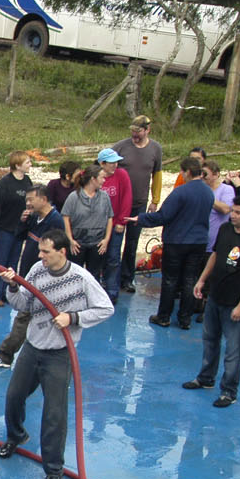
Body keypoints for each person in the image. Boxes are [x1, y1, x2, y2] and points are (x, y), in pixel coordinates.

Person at [0, 230, 115, 479]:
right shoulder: (37, 271)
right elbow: (21, 304)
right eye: (40, 251)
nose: (40, 256)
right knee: (14, 396)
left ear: (62, 252)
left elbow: (106, 308)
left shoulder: (82, 278)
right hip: (32, 347)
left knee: (54, 414)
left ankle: (53, 469)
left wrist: (72, 318)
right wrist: (14, 285)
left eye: (45, 252)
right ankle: (16, 436)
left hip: (59, 354)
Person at [183, 195, 240, 408]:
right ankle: (205, 378)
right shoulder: (225, 230)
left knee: (233, 349)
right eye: (233, 211)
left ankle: (229, 391)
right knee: (209, 340)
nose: (233, 216)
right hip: (215, 297)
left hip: (235, 302)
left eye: (239, 213)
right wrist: (202, 280)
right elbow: (215, 255)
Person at [0, 185, 63, 368]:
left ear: (44, 199)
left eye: (31, 199)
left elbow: (59, 252)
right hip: (30, 273)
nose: (27, 203)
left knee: (25, 316)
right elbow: (19, 236)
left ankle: (6, 355)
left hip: (44, 279)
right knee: (28, 315)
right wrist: (22, 222)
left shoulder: (55, 221)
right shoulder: (34, 218)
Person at [135, 156, 212, 329]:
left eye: (182, 172)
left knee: (170, 279)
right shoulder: (208, 192)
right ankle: (185, 318)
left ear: (188, 172)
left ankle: (164, 316)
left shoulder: (181, 192)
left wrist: (140, 218)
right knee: (190, 279)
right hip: (199, 242)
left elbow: (163, 216)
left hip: (177, 241)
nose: (181, 175)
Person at [111, 115, 163, 293]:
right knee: (113, 242)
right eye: (132, 130)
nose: (134, 134)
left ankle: (127, 279)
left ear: (147, 130)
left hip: (139, 203)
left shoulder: (156, 149)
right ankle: (111, 278)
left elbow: (157, 175)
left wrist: (155, 200)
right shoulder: (120, 146)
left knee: (132, 243)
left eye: (138, 131)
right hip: (118, 204)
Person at [0, 151, 34, 307]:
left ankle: (7, 293)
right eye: (28, 162)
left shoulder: (27, 181)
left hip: (19, 230)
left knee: (12, 263)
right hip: (4, 229)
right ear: (17, 165)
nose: (30, 165)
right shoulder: (3, 184)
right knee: (0, 262)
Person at [61, 165, 113, 282]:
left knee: (93, 276)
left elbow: (110, 217)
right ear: (93, 179)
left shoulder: (104, 197)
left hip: (97, 243)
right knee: (74, 275)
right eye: (102, 177)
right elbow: (65, 218)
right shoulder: (74, 197)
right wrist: (70, 240)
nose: (104, 180)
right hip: (78, 243)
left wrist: (106, 240)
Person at [97, 147, 133, 301]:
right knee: (97, 258)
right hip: (97, 225)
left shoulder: (122, 175)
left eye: (116, 162)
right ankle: (97, 289)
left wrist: (122, 220)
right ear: (102, 163)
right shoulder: (93, 175)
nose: (115, 166)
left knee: (113, 256)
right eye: (111, 163)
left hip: (116, 222)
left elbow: (127, 197)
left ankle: (112, 291)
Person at [200, 161, 236, 254]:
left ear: (216, 175)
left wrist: (206, 194)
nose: (201, 177)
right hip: (198, 242)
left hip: (215, 244)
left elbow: (226, 209)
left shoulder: (226, 189)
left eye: (205, 174)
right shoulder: (199, 189)